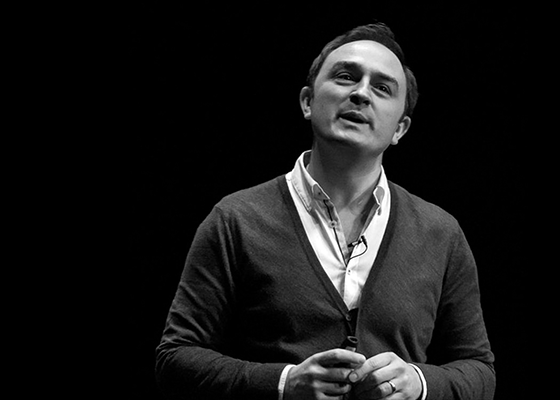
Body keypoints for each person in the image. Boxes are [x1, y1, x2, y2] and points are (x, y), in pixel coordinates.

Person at [156, 22, 495, 400]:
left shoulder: (440, 233)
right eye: (346, 76)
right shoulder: (236, 219)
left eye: (382, 88)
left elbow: (479, 370)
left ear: (400, 128)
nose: (361, 93)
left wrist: (420, 383)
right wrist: (283, 384)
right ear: (307, 101)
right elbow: (175, 359)